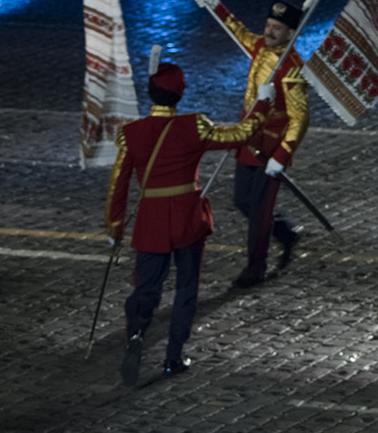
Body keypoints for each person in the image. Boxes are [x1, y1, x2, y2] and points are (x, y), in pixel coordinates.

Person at [105, 60, 274, 386]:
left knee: (146, 287)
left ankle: (136, 335)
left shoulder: (131, 134)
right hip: (186, 217)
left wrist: (114, 225)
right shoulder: (194, 126)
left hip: (151, 219)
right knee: (186, 288)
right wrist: (263, 102)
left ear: (150, 92)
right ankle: (173, 356)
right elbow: (241, 134)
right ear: (180, 94)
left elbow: (119, 184)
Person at [193, 0, 310, 286]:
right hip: (247, 140)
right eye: (269, 25)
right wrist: (217, 6)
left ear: (290, 33)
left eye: (277, 28)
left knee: (259, 213)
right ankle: (285, 232)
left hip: (270, 151)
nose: (269, 31)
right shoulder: (259, 46)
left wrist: (282, 156)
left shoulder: (293, 68)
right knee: (242, 201)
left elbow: (300, 118)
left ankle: (255, 268)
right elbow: (238, 31)